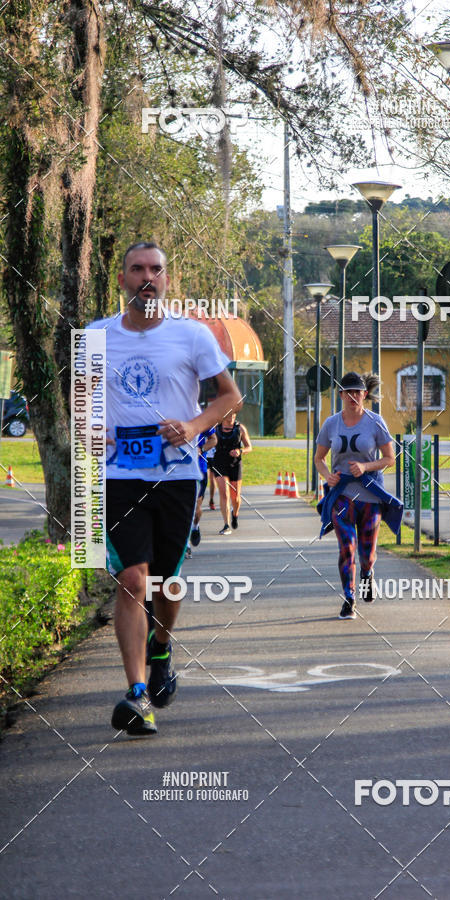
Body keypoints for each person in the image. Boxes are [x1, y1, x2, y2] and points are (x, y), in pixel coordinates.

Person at [87, 241, 241, 735]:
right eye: (137, 269)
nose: (147, 277)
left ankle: (161, 645)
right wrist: (95, 431)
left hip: (176, 476)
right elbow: (81, 403)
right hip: (116, 477)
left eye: (156, 270)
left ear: (167, 279)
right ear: (122, 279)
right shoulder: (95, 336)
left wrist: (195, 427)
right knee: (133, 580)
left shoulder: (192, 336)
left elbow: (229, 396)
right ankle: (136, 695)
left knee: (167, 581)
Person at [314, 372, 398, 619]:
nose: (353, 396)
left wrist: (365, 467)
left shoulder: (375, 422)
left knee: (367, 553)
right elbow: (318, 458)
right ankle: (349, 598)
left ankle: (367, 573)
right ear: (340, 395)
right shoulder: (331, 423)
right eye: (347, 392)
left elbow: (390, 459)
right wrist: (327, 475)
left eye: (357, 392)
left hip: (371, 496)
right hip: (342, 496)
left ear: (365, 394)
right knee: (346, 548)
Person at [211, 411, 252, 534]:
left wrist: (240, 451)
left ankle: (235, 513)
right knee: (224, 493)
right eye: (230, 414)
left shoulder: (240, 428)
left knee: (235, 496)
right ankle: (226, 524)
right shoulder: (215, 428)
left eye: (234, 414)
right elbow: (206, 439)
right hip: (219, 463)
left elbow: (249, 447)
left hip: (235, 464)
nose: (233, 417)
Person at [186, 427, 218, 556]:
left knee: (195, 507)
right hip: (177, 470)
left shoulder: (202, 417)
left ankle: (195, 526)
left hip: (199, 469)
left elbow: (213, 439)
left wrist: (201, 449)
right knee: (183, 507)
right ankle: (185, 545)